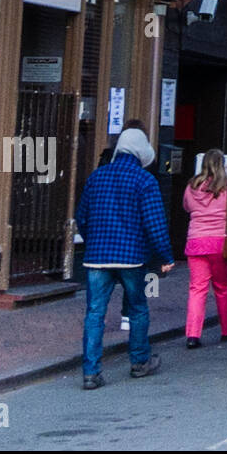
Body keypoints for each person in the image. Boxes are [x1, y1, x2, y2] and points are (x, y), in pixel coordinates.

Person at [75, 124, 174, 390]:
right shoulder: (145, 181)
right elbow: (155, 224)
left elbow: (81, 217)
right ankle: (140, 361)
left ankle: (91, 372)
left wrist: (93, 240)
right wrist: (165, 255)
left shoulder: (97, 177)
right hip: (131, 257)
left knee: (95, 313)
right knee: (138, 308)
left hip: (97, 257)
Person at [182, 148, 227, 348]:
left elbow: (187, 207)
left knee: (197, 289)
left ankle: (192, 335)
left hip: (196, 243)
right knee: (222, 289)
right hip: (220, 243)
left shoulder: (191, 186)